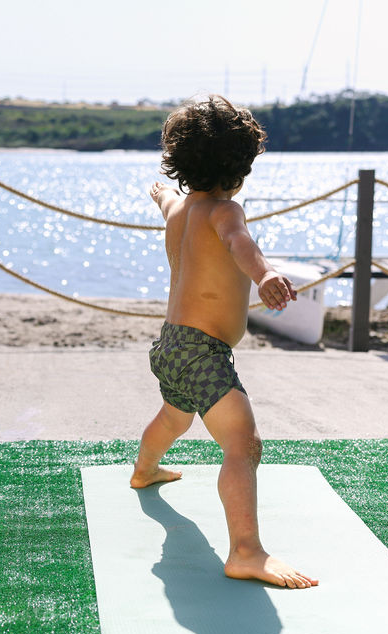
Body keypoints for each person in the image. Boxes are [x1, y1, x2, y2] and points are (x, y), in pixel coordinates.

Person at [130, 95, 318, 589]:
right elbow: (242, 245)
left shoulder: (179, 209)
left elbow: (167, 199)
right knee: (242, 444)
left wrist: (159, 195)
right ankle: (246, 551)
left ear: (183, 164)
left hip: (170, 346)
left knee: (175, 415)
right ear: (240, 167)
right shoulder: (225, 211)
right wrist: (266, 275)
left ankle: (144, 470)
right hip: (202, 351)